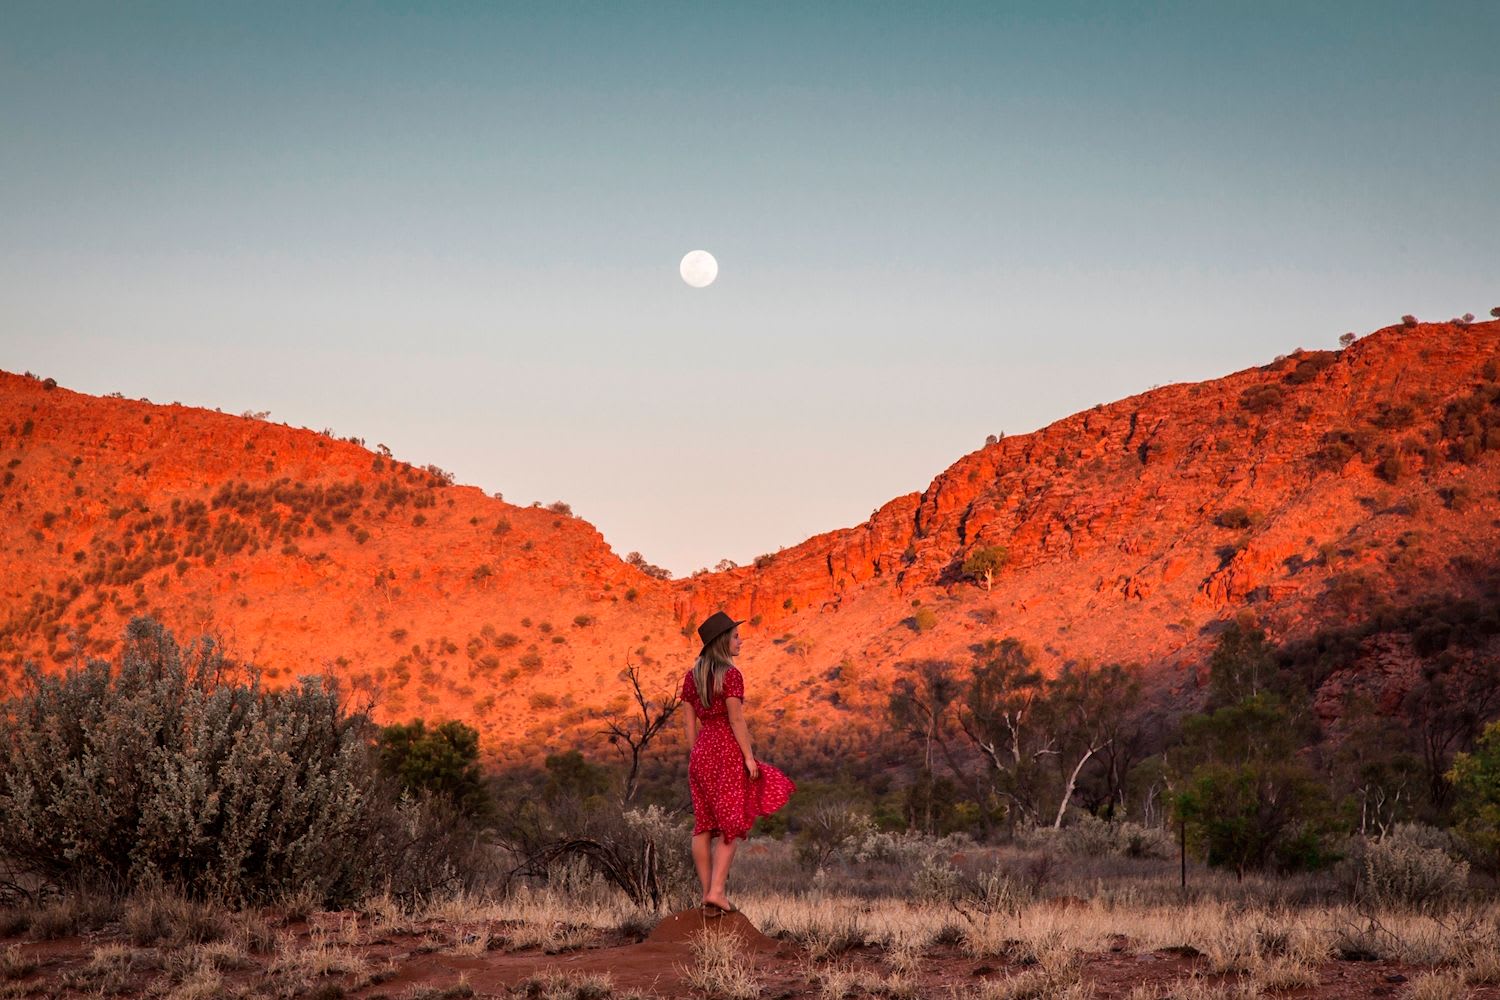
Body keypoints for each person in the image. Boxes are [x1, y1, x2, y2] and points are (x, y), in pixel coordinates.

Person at [681, 610, 794, 915]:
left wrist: (697, 758)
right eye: (735, 636)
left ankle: (708, 896)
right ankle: (717, 891)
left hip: (701, 754)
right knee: (732, 825)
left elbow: (690, 727)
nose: (740, 641)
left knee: (702, 827)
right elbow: (736, 719)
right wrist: (747, 757)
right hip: (727, 751)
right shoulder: (731, 675)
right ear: (721, 641)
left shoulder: (691, 678)